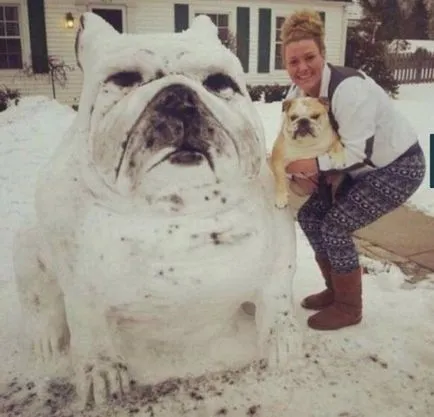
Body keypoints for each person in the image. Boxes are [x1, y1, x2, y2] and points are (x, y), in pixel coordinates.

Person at [280, 10, 426, 330]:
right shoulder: (295, 95)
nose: (302, 67)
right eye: (293, 62)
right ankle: (335, 290)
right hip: (354, 171)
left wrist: (314, 165)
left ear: (323, 54)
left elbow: (358, 152)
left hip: (398, 167)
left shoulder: (349, 89)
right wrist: (293, 170)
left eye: (309, 57)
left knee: (336, 226)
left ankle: (349, 307)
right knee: (309, 216)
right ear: (286, 65)